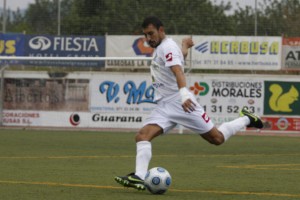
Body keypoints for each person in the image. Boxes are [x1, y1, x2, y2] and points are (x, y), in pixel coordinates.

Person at [114, 16, 263, 191]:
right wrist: (184, 47)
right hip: (164, 106)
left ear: (161, 30)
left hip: (181, 103)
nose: (148, 39)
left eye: (151, 33)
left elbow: (178, 71)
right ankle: (139, 176)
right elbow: (179, 59)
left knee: (217, 138)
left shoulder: (167, 46)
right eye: (146, 35)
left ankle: (246, 119)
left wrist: (184, 95)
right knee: (142, 136)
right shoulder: (164, 47)